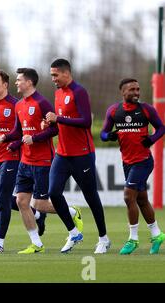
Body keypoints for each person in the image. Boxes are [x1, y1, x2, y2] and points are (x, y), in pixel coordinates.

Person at [0, 68, 82, 253]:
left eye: (19, 80)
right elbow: (19, 132)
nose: (16, 83)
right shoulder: (19, 105)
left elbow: (54, 130)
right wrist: (8, 139)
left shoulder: (42, 103)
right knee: (21, 202)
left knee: (41, 205)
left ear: (29, 82)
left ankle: (73, 213)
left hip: (43, 161)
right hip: (25, 162)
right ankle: (36, 244)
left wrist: (34, 139)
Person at [45, 59, 110, 254]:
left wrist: (58, 118)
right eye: (51, 76)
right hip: (62, 154)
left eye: (55, 75)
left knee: (91, 196)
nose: (53, 79)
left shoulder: (79, 92)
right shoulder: (57, 94)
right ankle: (73, 232)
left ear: (66, 73)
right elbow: (61, 125)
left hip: (82, 154)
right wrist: (50, 124)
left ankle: (103, 239)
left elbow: (85, 122)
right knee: (54, 193)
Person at [0, 69, 46, 253]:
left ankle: (0, 243)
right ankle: (36, 214)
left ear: (5, 85)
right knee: (1, 200)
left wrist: (12, 142)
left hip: (13, 157)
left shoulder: (16, 104)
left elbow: (21, 132)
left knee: (3, 199)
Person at [101, 78, 165, 254]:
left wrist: (151, 139)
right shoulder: (114, 111)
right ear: (123, 92)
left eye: (138, 89)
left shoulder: (146, 109)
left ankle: (133, 239)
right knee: (141, 199)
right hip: (127, 162)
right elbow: (103, 133)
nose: (137, 92)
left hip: (143, 161)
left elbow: (161, 128)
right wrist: (109, 136)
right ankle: (157, 234)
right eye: (132, 90)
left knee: (129, 197)